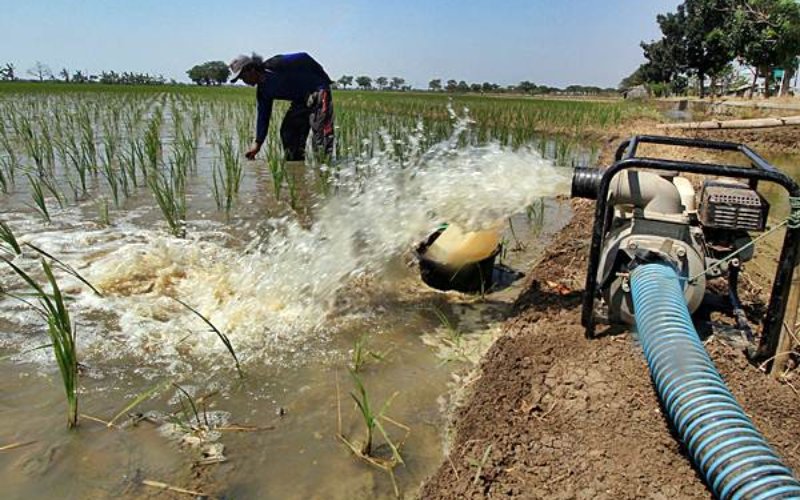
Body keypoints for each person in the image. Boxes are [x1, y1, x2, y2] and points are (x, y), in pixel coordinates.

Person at [229, 52, 335, 162]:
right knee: (288, 131)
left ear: (251, 69)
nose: (244, 81)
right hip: (300, 100)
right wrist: (257, 145)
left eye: (243, 76)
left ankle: (324, 168)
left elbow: (303, 57)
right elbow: (263, 117)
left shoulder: (276, 65)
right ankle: (296, 168)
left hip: (318, 90)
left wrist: (322, 80)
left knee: (321, 134)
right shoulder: (263, 91)